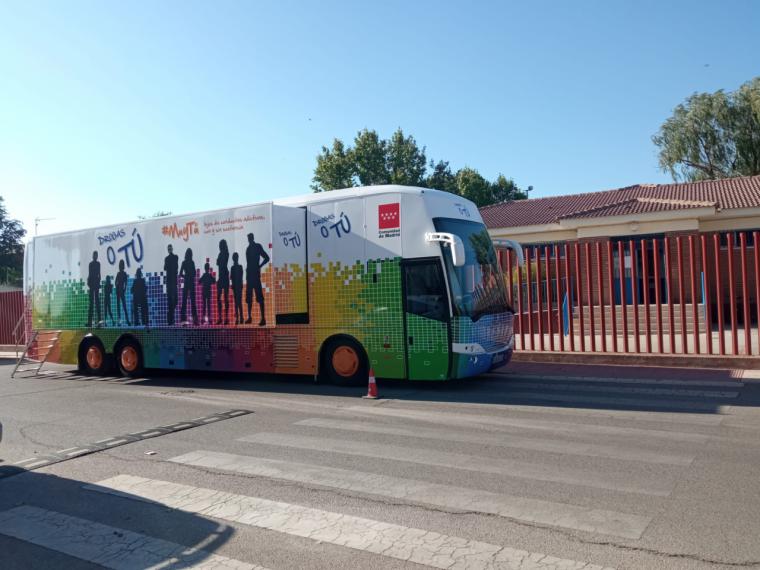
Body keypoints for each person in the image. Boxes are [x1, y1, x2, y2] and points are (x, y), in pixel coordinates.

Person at [244, 233, 270, 325]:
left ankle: (263, 318)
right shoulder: (248, 248)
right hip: (250, 275)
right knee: (249, 297)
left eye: (250, 238)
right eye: (248, 238)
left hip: (254, 275)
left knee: (259, 297)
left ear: (252, 238)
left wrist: (260, 266)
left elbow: (267, 258)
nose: (249, 240)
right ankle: (250, 317)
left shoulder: (257, 246)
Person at [179, 248, 198, 325]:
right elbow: (194, 273)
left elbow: (180, 274)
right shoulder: (192, 262)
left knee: (184, 302)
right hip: (191, 283)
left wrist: (185, 276)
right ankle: (195, 321)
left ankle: (183, 321)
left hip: (186, 283)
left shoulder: (184, 262)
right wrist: (190, 275)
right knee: (193, 302)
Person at [216, 239, 230, 325]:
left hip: (223, 277)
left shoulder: (224, 253)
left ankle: (226, 318)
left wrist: (219, 261)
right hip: (221, 277)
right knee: (221, 298)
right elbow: (218, 263)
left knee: (225, 298)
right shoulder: (222, 253)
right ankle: (222, 318)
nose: (219, 246)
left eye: (220, 245)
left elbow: (219, 263)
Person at [164, 244, 179, 325]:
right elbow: (166, 268)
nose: (169, 249)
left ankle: (170, 316)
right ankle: (170, 319)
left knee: (174, 301)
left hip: (172, 282)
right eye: (168, 248)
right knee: (171, 301)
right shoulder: (170, 258)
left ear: (171, 249)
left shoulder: (172, 258)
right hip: (170, 282)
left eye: (170, 248)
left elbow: (166, 267)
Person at [86, 251, 101, 327]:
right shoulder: (91, 264)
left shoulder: (97, 264)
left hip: (95, 284)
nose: (95, 256)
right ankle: (90, 322)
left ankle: (99, 322)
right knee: (92, 303)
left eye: (96, 255)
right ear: (93, 256)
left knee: (96, 303)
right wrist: (89, 282)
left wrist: (98, 283)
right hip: (92, 285)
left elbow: (99, 275)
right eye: (94, 255)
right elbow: (90, 274)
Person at [115, 260, 130, 325]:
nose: (120, 266)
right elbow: (116, 281)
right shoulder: (120, 273)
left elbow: (125, 283)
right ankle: (121, 321)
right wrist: (121, 288)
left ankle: (126, 320)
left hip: (120, 290)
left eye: (121, 265)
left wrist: (124, 289)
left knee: (123, 306)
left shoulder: (123, 273)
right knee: (121, 306)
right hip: (119, 290)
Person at [230, 252, 244, 325]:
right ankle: (241, 318)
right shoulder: (240, 267)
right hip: (238, 287)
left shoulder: (232, 268)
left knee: (236, 303)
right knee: (239, 303)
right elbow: (241, 276)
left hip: (236, 287)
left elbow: (231, 278)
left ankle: (238, 318)